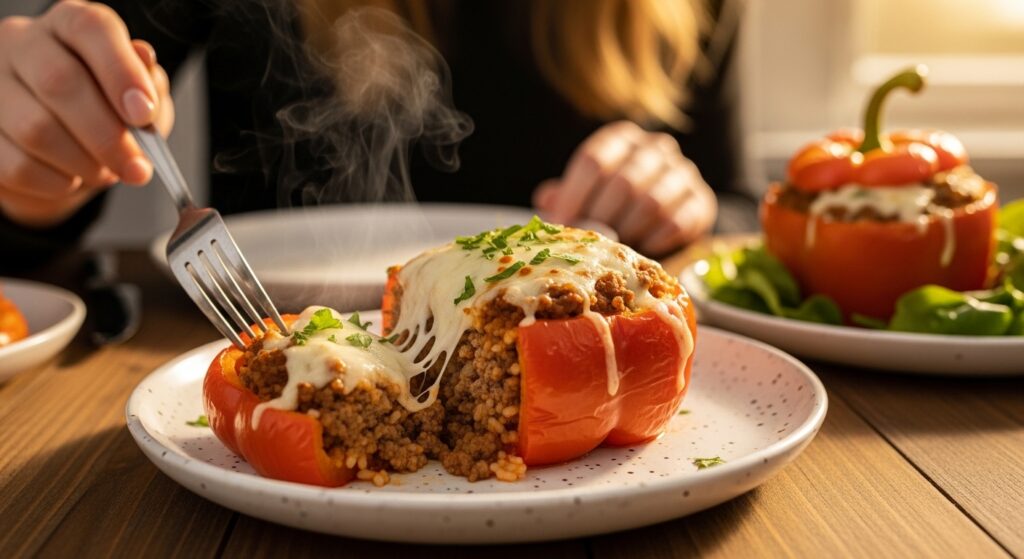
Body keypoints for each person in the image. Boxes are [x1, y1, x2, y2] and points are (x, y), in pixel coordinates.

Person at [0, 0, 744, 262]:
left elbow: (738, 205)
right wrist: (31, 156)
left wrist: (681, 199)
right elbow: (74, 105)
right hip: (220, 351)